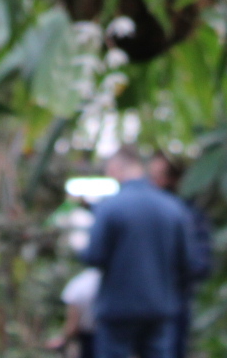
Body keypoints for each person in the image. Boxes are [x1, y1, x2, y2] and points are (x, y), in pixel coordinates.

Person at [80, 147, 200, 358]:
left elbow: (93, 256)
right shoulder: (173, 207)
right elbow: (189, 262)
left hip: (118, 308)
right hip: (160, 306)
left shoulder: (109, 207)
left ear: (115, 168)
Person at [149, 153, 211, 358]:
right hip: (140, 305)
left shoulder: (188, 215)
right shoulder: (143, 211)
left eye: (159, 175)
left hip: (173, 305)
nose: (154, 181)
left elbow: (200, 264)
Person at [48, 266, 100, 358]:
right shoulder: (112, 282)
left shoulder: (77, 285)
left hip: (88, 340)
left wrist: (62, 340)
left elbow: (73, 326)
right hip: (115, 335)